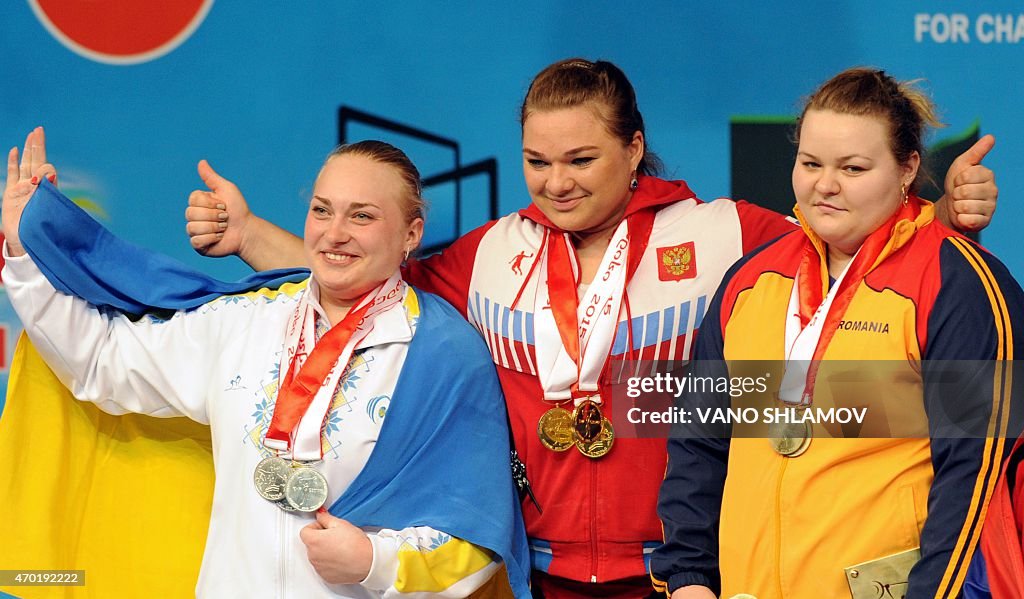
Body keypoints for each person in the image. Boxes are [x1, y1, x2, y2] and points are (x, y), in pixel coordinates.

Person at [181, 59, 999, 598]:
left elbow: (858, 247)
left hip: (675, 574)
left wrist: (945, 215)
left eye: (581, 159)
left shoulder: (720, 237)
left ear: (634, 148)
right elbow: (368, 276)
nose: (556, 182)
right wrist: (253, 235)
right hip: (539, 571)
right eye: (538, 159)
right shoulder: (495, 253)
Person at [1, 132, 531, 598]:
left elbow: (476, 539)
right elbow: (103, 360)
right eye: (322, 210)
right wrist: (26, 253)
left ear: (412, 234)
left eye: (362, 215)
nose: (334, 232)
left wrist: (376, 562)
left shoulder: (444, 354)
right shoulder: (245, 320)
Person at [652, 68, 1024, 598]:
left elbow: (973, 480)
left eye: (852, 167)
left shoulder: (959, 286)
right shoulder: (749, 282)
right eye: (810, 163)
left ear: (907, 168)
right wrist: (687, 577)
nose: (824, 185)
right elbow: (699, 442)